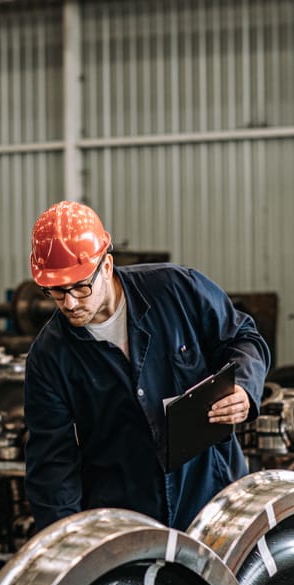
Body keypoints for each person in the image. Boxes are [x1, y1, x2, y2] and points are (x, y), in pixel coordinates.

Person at [23, 200, 270, 531]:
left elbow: (244, 337)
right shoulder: (49, 358)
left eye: (80, 287)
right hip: (126, 522)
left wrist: (244, 385)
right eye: (55, 291)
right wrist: (65, 547)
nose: (69, 302)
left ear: (106, 266)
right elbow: (53, 467)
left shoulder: (176, 290)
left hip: (213, 502)